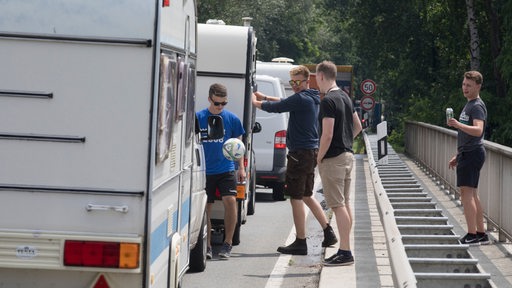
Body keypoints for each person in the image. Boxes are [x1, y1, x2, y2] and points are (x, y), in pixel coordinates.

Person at [252, 65, 338, 255]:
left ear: (307, 81)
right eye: (292, 82)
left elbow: (278, 107)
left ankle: (300, 241)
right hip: (309, 153)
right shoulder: (313, 96)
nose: (295, 85)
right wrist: (264, 96)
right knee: (307, 195)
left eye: (298, 82)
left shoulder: (301, 99)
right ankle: (328, 231)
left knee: (295, 197)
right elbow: (285, 101)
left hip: (299, 155)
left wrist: (254, 101)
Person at [315, 60, 362, 266]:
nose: (316, 82)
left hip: (333, 158)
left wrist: (319, 157)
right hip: (348, 156)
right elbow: (358, 126)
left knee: (337, 205)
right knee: (344, 204)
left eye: (316, 77)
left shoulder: (328, 101)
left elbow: (327, 134)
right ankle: (345, 247)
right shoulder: (345, 97)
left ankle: (345, 251)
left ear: (322, 76)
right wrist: (347, 140)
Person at [196, 83, 246, 259]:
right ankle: (207, 245)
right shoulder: (198, 117)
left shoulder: (232, 119)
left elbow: (239, 146)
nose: (220, 107)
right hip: (204, 171)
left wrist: (241, 167)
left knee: (230, 201)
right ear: (209, 99)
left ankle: (227, 243)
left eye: (223, 103)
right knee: (206, 207)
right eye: (217, 103)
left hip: (226, 168)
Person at [447, 71, 489, 246]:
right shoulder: (469, 104)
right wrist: (458, 155)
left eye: (469, 85)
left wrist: (457, 124)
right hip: (468, 153)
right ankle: (481, 233)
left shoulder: (476, 106)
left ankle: (472, 234)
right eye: (464, 84)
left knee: (466, 195)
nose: (465, 88)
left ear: (478, 86)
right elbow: (470, 135)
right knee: (472, 194)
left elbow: (478, 130)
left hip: (472, 153)